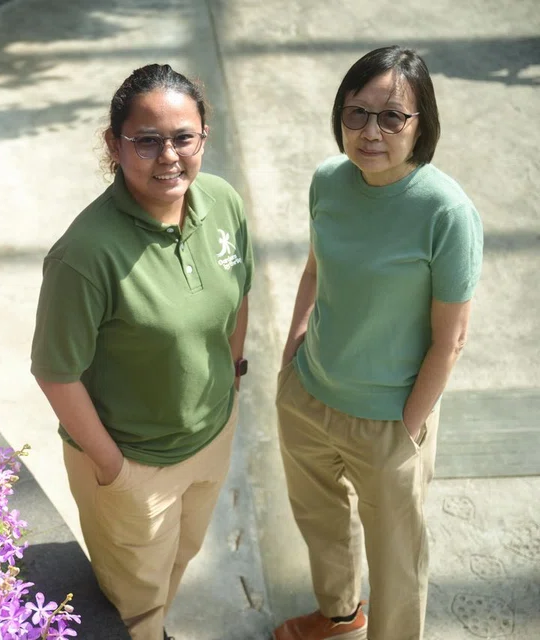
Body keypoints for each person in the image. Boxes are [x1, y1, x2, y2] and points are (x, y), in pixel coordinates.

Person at [30, 64, 253, 640]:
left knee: (180, 558)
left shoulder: (223, 201)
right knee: (134, 603)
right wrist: (114, 469)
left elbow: (239, 288)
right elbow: (56, 372)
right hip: (134, 464)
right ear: (115, 143)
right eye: (147, 141)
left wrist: (231, 373)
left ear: (204, 135)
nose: (168, 156)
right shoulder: (84, 255)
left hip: (211, 435)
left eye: (183, 138)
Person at [273, 46, 483, 640]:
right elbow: (315, 270)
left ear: (423, 125)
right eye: (356, 113)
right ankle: (340, 615)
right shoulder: (328, 181)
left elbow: (452, 339)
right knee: (321, 522)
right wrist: (292, 355)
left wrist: (409, 424)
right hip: (308, 396)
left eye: (392, 117)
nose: (371, 131)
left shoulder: (447, 212)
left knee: (397, 562)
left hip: (389, 421)